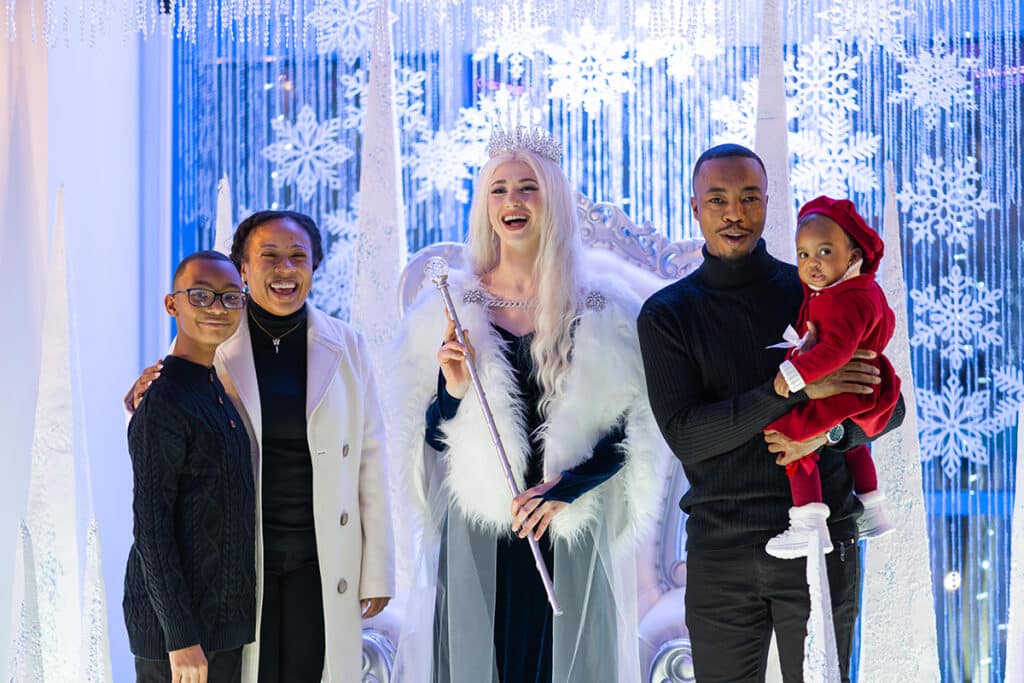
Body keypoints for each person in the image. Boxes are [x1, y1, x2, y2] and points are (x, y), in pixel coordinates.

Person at [390, 127, 664, 683]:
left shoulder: (603, 308)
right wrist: (454, 387)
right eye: (498, 190)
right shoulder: (447, 308)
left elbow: (632, 429)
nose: (511, 202)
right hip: (479, 537)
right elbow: (425, 435)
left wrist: (566, 489)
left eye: (527, 188)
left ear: (553, 201)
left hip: (568, 532)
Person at [636, 143, 905, 682]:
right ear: (695, 208)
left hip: (820, 541)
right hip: (720, 552)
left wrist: (822, 438)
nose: (734, 213)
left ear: (767, 204)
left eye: (749, 198)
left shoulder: (814, 291)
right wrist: (794, 391)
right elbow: (689, 437)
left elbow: (886, 408)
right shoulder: (668, 315)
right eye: (718, 199)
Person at [125, 212, 394, 683]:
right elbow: (167, 421)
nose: (284, 269)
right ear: (244, 269)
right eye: (268, 256)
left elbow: (371, 456)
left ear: (315, 266)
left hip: (322, 551)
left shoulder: (347, 345)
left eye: (298, 257)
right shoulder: (216, 332)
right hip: (242, 556)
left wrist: (378, 569)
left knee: (313, 672)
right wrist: (134, 401)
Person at [124, 250, 255, 683]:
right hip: (177, 637)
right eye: (200, 295)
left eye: (230, 297)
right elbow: (151, 527)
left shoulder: (216, 388)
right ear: (171, 303)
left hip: (218, 630)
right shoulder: (164, 398)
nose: (216, 308)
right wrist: (180, 639)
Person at [763, 195, 900, 559]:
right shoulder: (841, 291)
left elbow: (837, 350)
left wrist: (795, 372)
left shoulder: (849, 298)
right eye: (803, 255)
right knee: (853, 445)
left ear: (853, 257)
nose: (812, 264)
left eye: (824, 252)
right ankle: (873, 508)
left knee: (791, 432)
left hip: (849, 387)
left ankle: (809, 525)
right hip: (860, 387)